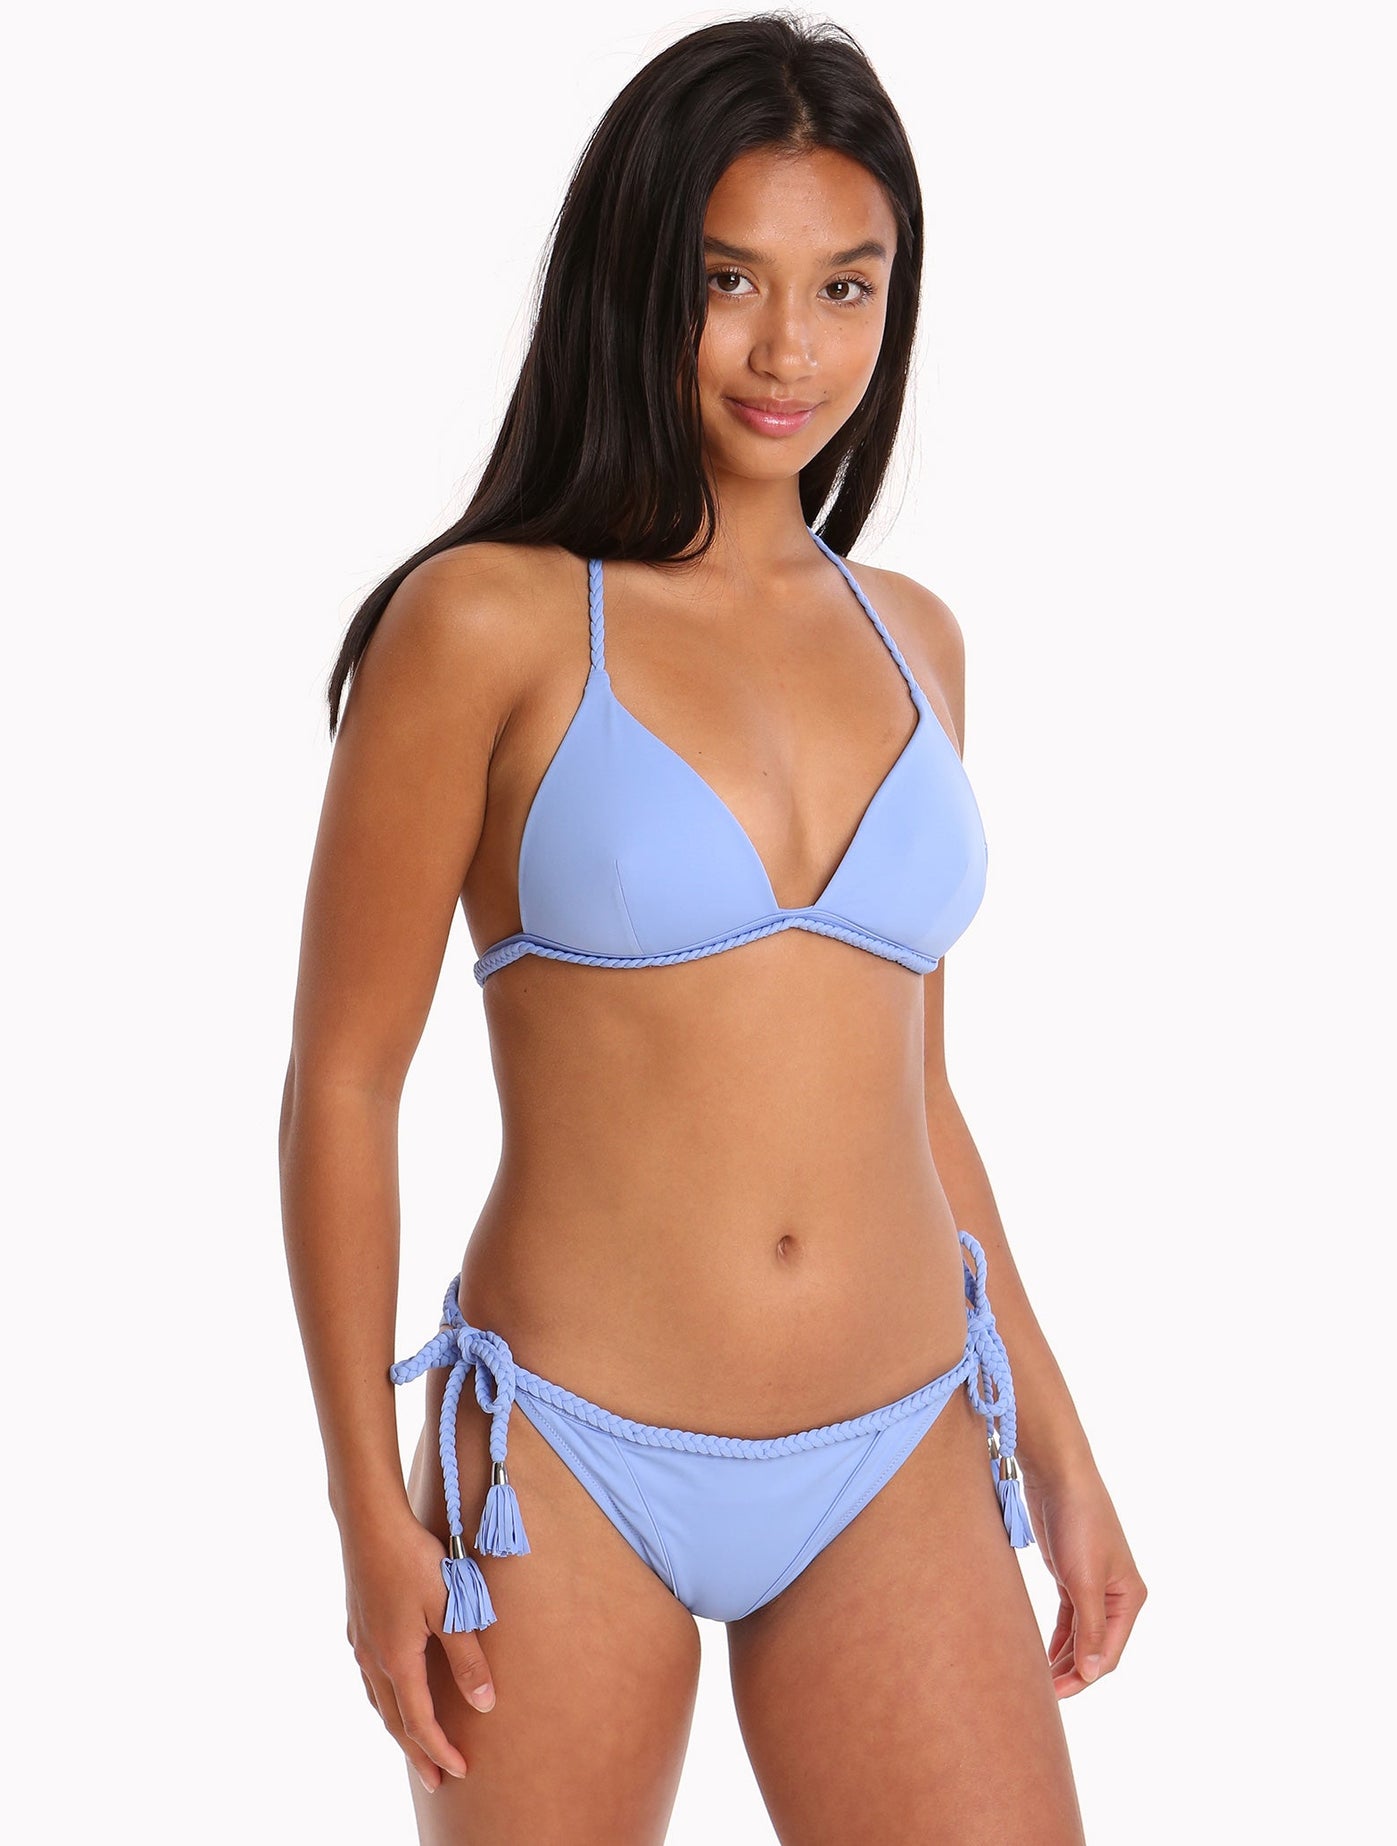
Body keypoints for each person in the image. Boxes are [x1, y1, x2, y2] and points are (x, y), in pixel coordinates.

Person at [279, 14, 1145, 1841]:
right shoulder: (486, 621)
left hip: (901, 1434)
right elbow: (343, 1080)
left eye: (845, 286)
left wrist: (1059, 1449)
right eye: (726, 279)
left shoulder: (916, 638)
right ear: (631, 278)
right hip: (569, 1452)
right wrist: (365, 1506)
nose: (788, 350)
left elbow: (915, 1091)